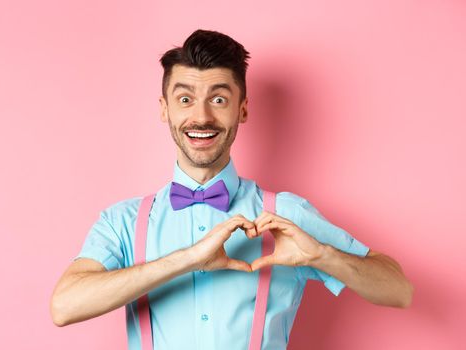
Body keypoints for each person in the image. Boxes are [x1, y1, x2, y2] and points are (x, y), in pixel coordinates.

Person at [50, 29, 413, 349]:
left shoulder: (288, 215)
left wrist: (320, 255)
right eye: (185, 99)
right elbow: (64, 306)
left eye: (219, 99)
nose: (203, 117)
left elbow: (399, 290)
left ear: (242, 110)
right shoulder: (123, 222)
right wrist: (188, 259)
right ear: (165, 109)